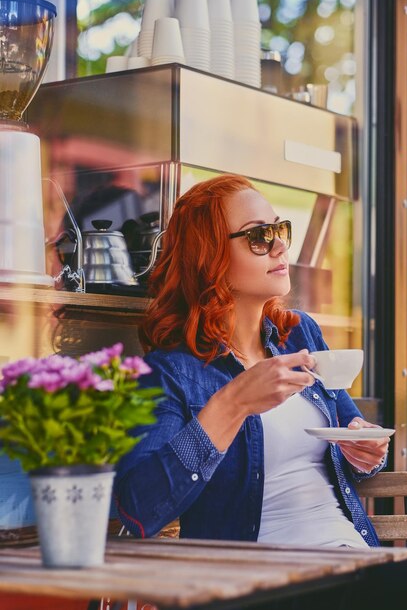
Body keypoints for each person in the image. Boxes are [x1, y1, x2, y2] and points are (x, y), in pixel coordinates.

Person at [114, 173, 390, 553]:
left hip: (352, 553)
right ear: (208, 258)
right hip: (261, 578)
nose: (279, 246)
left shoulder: (299, 334)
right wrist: (233, 404)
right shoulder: (172, 373)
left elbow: (349, 431)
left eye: (280, 230)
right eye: (258, 237)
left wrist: (366, 451)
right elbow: (140, 509)